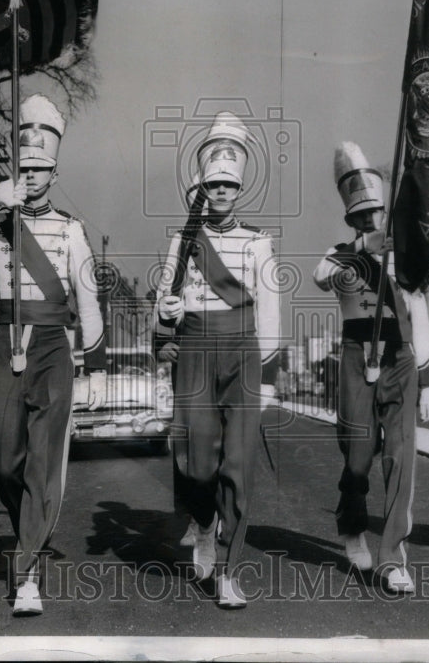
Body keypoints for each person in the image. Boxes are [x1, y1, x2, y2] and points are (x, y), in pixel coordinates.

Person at [0, 93, 107, 616]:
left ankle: (27, 570)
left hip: (54, 346)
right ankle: (30, 525)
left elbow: (88, 300)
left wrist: (94, 368)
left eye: (39, 170)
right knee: (6, 464)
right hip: (6, 344)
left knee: (41, 464)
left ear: (53, 174)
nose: (30, 177)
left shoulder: (71, 230)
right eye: (23, 168)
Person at [155, 112, 280, 608]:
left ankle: (229, 570)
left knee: (240, 465)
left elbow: (269, 314)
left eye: (229, 184)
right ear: (204, 187)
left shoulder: (258, 241)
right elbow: (165, 297)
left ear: (240, 188)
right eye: (215, 184)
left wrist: (268, 377)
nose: (222, 192)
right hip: (196, 349)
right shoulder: (181, 241)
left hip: (243, 352)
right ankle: (205, 522)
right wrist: (168, 308)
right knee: (196, 460)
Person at [312, 142, 429, 594]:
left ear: (387, 212)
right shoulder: (339, 253)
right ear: (351, 219)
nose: (371, 220)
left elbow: (422, 317)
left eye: (376, 213)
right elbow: (320, 275)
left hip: (400, 358)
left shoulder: (407, 255)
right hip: (354, 355)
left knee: (401, 457)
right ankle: (351, 525)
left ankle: (392, 557)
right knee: (358, 455)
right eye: (361, 214)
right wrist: (363, 248)